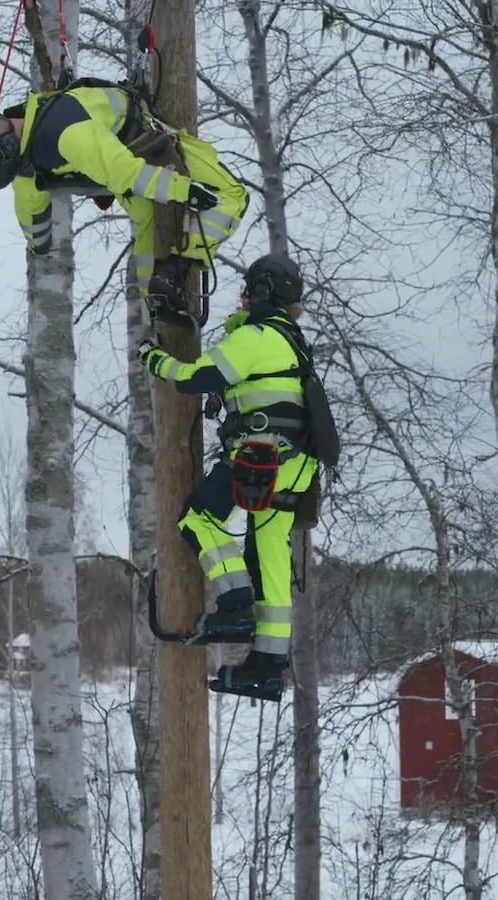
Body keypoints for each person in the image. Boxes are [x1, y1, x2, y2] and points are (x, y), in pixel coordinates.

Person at [135, 253, 328, 702]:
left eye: (247, 290)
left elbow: (193, 377)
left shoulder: (259, 336)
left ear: (262, 293)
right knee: (269, 557)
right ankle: (267, 663)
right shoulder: (292, 340)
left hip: (264, 457)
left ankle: (236, 605)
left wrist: (153, 358)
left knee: (197, 520)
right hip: (295, 466)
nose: (241, 298)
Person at [0, 80, 248, 323]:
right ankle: (175, 269)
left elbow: (31, 218)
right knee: (231, 197)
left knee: (147, 218)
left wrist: (40, 244)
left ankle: (156, 298)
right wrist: (187, 191)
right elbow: (127, 173)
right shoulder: (65, 133)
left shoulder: (27, 168)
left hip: (127, 163)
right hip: (142, 147)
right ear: (7, 148)